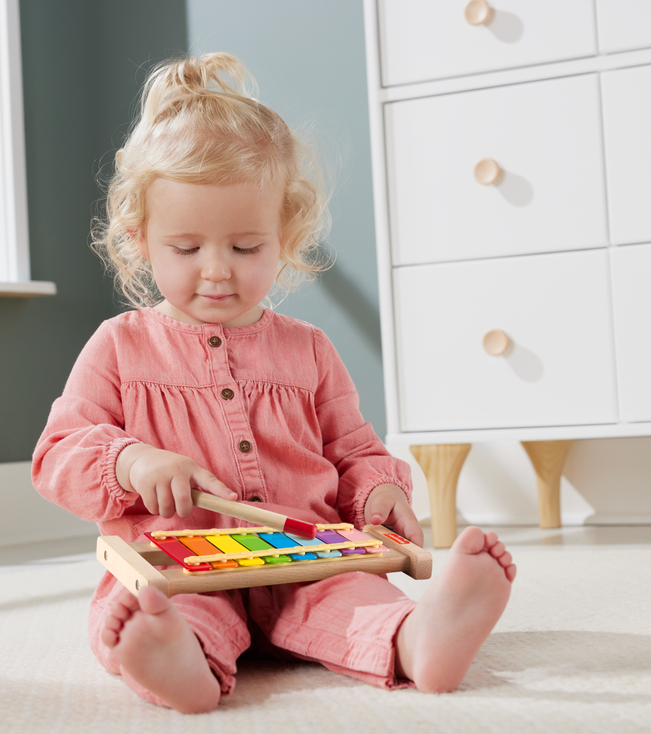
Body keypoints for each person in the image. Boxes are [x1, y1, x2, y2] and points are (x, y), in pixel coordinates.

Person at [32, 52, 515, 713]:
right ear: (141, 237)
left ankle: (420, 636)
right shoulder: (118, 346)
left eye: (245, 246)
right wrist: (128, 460)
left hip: (304, 561)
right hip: (181, 566)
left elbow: (354, 449)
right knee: (154, 608)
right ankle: (176, 660)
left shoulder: (309, 350)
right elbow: (57, 452)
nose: (217, 270)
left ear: (284, 235)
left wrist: (377, 493)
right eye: (187, 247)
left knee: (358, 600)